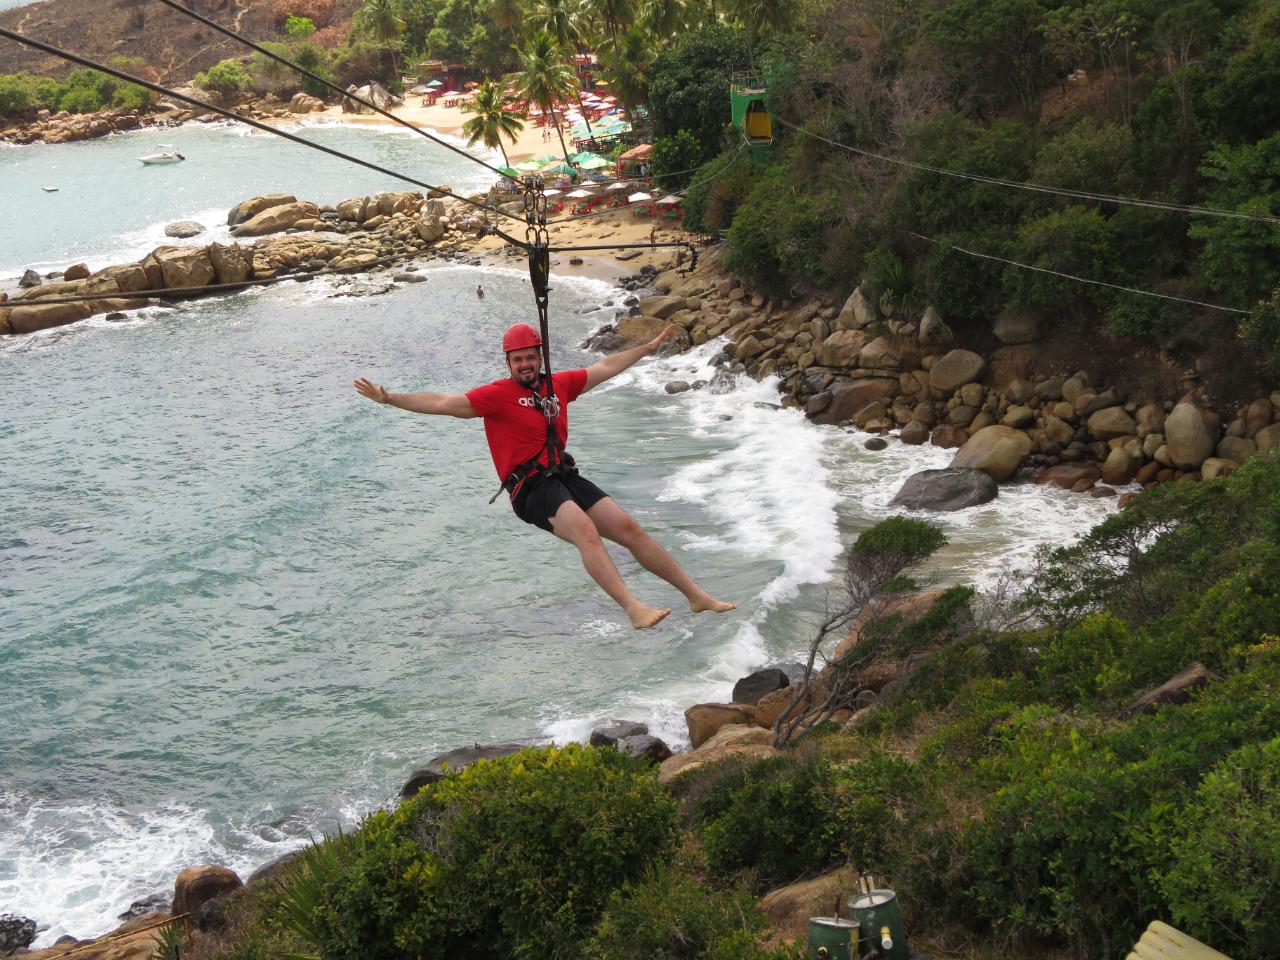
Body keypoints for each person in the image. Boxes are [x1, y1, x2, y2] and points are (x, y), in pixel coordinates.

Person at [353, 322, 736, 629]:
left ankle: (695, 595)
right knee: (585, 531)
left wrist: (646, 350)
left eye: (530, 358)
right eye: (517, 360)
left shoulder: (560, 385)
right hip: (530, 489)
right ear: (509, 363)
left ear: (540, 358)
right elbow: (443, 403)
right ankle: (633, 607)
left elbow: (604, 368)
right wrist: (390, 399)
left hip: (563, 475)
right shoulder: (497, 395)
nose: (524, 365)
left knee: (629, 529)